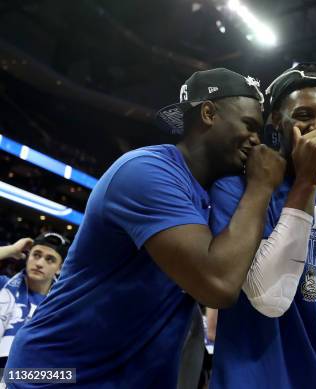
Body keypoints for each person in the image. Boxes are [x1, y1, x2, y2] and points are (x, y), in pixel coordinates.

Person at [5, 69, 286, 388]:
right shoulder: (146, 172)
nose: (256, 140)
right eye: (249, 126)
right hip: (55, 375)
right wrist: (261, 187)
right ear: (208, 113)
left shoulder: (211, 193)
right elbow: (218, 284)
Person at [209, 63, 316, 388]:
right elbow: (268, 297)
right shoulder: (233, 190)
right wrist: (307, 181)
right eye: (303, 115)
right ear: (275, 123)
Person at [0, 233, 68, 367]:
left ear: (59, 268)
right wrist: (11, 250)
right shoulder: (3, 285)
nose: (39, 263)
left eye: (50, 259)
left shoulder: (61, 308)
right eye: (36, 255)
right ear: (28, 256)